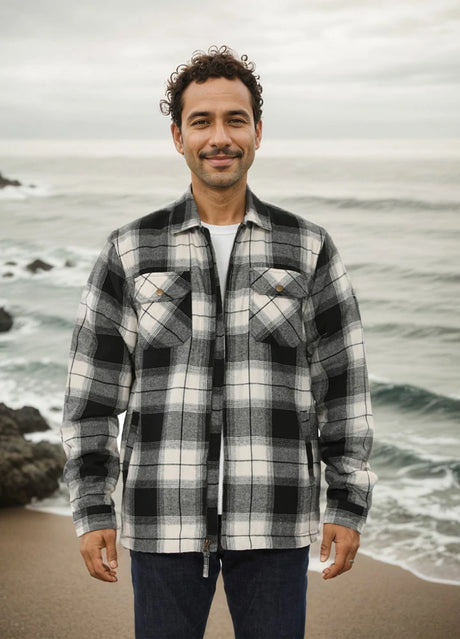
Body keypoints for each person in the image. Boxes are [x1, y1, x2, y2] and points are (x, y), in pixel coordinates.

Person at [61, 45, 376, 639]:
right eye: (201, 121)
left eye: (235, 120)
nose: (219, 137)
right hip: (163, 520)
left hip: (276, 520)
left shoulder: (307, 247)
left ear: (258, 131)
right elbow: (93, 397)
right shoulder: (131, 249)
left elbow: (343, 385)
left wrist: (348, 501)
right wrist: (93, 507)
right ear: (178, 136)